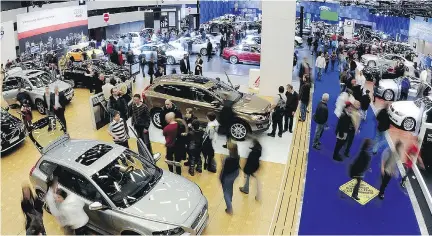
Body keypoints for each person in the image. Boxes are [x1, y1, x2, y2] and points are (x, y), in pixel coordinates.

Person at [220, 141, 240, 215]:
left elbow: (225, 168)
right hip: (235, 174)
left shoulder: (228, 159)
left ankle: (229, 209)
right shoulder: (237, 156)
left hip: (227, 176)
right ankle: (230, 199)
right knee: (230, 187)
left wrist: (222, 160)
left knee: (225, 192)